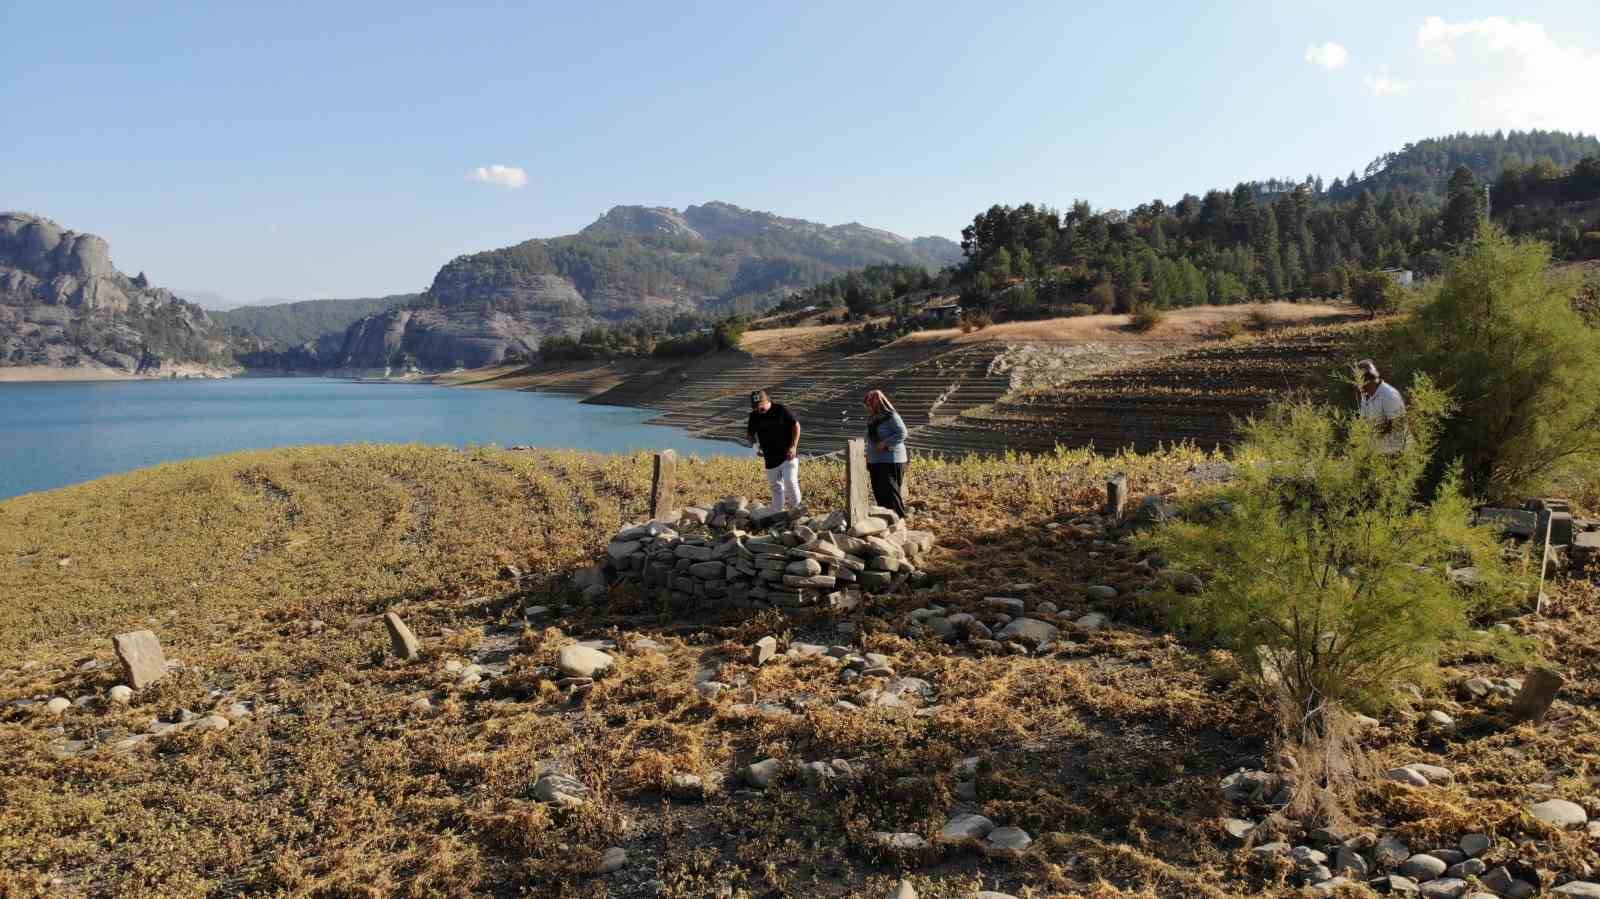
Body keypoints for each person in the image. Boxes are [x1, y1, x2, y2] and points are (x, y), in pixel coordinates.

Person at [746, 390, 802, 511]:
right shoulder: (754, 416)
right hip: (770, 458)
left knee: (790, 482)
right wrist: (756, 446)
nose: (758, 410)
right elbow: (750, 435)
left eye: (760, 407)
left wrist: (793, 446)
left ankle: (797, 512)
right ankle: (777, 513)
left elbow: (796, 425)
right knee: (776, 488)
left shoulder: (781, 410)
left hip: (788, 455)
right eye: (755, 407)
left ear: (767, 401)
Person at [864, 389, 909, 518]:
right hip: (875, 460)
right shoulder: (872, 419)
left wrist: (885, 443)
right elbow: (868, 438)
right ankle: (886, 520)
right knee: (879, 492)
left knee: (890, 492)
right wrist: (867, 454)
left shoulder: (891, 416)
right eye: (868, 405)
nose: (869, 407)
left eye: (870, 404)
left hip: (891, 459)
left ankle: (899, 518)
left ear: (878, 403)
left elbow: (902, 433)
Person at [1355, 359, 1407, 453]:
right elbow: (1364, 420)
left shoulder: (1389, 394)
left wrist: (1372, 433)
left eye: (1359, 380)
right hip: (1377, 451)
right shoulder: (1365, 395)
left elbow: (1397, 423)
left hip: (1396, 451)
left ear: (1366, 380)